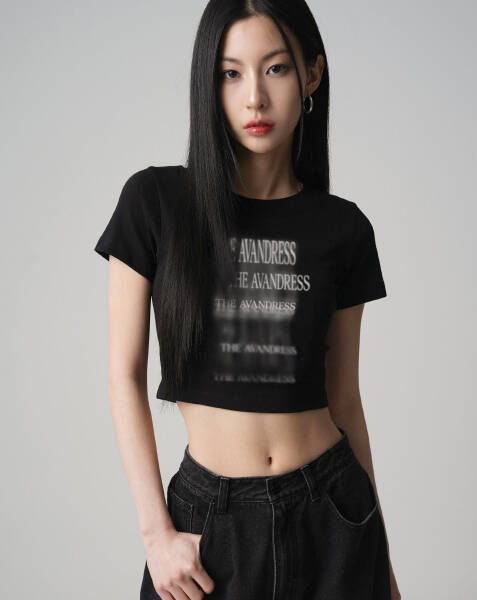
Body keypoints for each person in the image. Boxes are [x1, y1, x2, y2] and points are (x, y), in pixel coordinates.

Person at [94, 1, 401, 599]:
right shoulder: (155, 202)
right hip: (210, 524)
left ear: (311, 75)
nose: (254, 97)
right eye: (230, 73)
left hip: (333, 514)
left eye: (276, 68)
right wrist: (156, 535)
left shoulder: (343, 228)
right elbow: (123, 377)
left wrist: (383, 567)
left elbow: (345, 399)